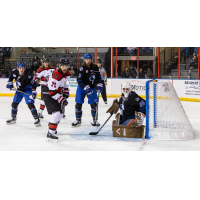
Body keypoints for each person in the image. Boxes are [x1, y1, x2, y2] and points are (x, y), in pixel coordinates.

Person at [72, 53, 103, 127]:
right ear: (84, 60)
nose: (88, 61)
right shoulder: (81, 69)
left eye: (89, 59)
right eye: (87, 59)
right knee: (78, 104)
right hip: (82, 88)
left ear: (91, 60)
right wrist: (85, 87)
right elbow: (79, 80)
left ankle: (95, 120)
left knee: (94, 104)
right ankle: (78, 120)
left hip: (92, 88)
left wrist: (99, 84)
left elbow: (98, 77)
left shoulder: (95, 67)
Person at [44, 58, 71, 140]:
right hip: (49, 93)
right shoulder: (56, 75)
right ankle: (50, 133)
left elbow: (64, 83)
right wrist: (62, 99)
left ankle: (52, 126)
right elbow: (52, 92)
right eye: (62, 66)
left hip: (56, 93)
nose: (64, 68)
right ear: (59, 66)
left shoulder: (66, 74)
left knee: (61, 114)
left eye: (66, 66)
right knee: (56, 113)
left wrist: (65, 91)